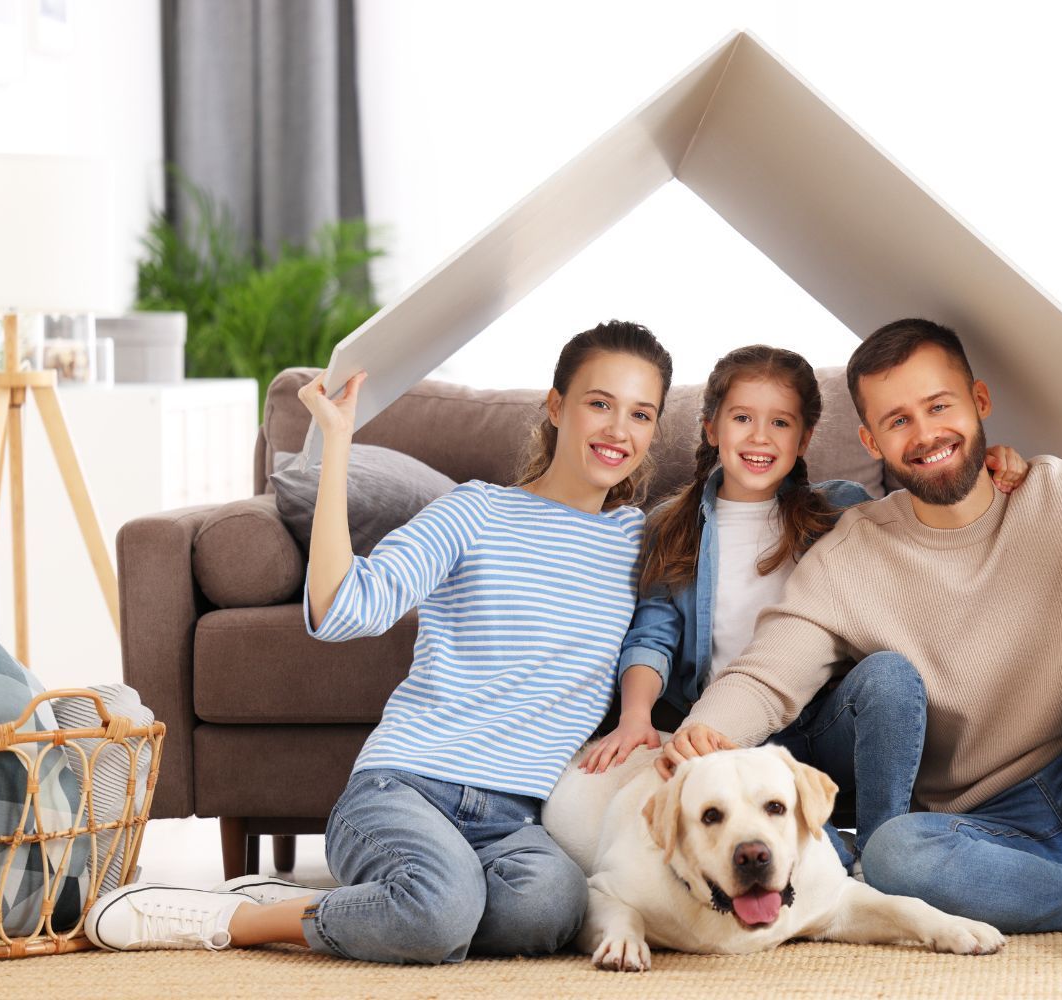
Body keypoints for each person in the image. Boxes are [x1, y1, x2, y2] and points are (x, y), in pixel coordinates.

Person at [658, 319, 1062, 963]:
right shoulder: (849, 554)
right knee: (891, 854)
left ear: (979, 402)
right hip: (981, 830)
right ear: (871, 439)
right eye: (898, 421)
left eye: (938, 406)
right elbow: (768, 676)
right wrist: (697, 737)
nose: (924, 434)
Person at [87, 321, 675, 964]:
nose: (619, 429)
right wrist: (336, 445)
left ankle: (412, 902)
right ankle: (237, 916)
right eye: (600, 403)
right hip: (405, 787)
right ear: (557, 406)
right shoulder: (474, 511)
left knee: (551, 910)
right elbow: (344, 609)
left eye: (640, 414)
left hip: (516, 819)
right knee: (441, 912)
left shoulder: (638, 542)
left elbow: (658, 631)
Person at [580, 344, 1029, 873]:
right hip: (736, 736)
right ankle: (837, 856)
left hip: (828, 722)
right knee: (815, 862)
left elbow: (931, 498)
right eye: (742, 418)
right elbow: (651, 637)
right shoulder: (670, 525)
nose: (760, 437)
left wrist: (992, 462)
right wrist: (635, 717)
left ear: (805, 438)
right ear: (711, 428)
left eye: (781, 422)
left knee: (888, 674)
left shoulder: (841, 509)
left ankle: (888, 843)